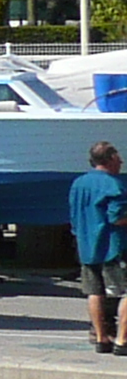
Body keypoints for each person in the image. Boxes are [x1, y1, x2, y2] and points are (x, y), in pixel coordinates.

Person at [74, 142, 127, 354]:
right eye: (118, 157)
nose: (121, 162)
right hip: (113, 247)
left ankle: (101, 337)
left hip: (87, 247)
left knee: (94, 292)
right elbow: (117, 217)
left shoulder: (78, 184)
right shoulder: (114, 185)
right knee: (125, 292)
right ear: (109, 159)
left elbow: (74, 215)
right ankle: (122, 340)